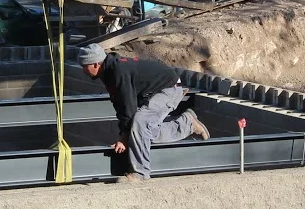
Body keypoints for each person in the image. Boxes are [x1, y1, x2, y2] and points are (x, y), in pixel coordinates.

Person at [77, 43, 208, 181]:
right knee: (143, 133)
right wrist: (124, 135)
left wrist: (124, 138)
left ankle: (140, 173)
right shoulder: (108, 71)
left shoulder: (117, 71)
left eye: (85, 66)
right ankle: (187, 124)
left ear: (96, 64)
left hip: (168, 89)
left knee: (140, 123)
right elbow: (121, 105)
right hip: (153, 92)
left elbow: (128, 107)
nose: (83, 70)